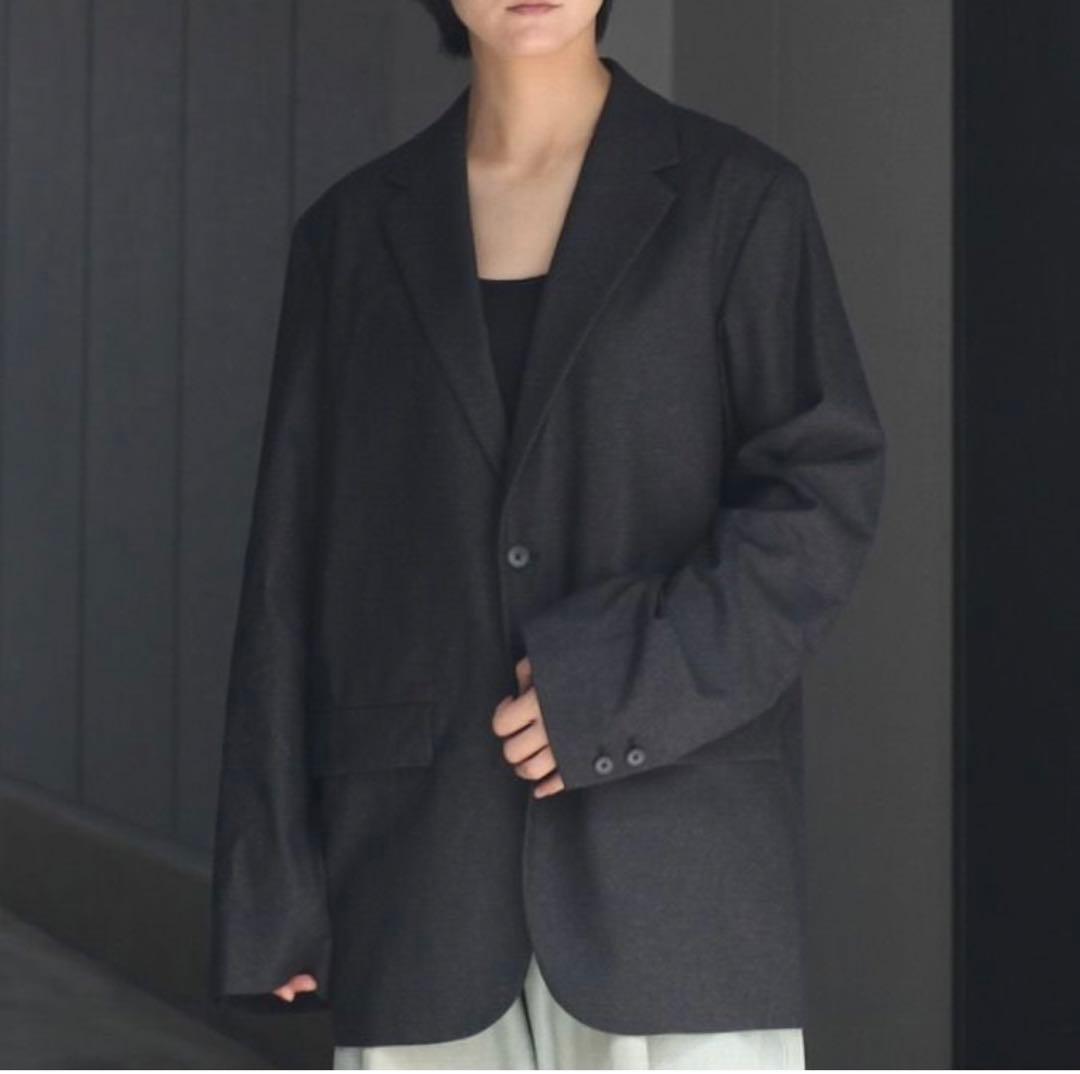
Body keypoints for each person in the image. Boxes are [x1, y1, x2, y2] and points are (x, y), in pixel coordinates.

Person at [209, 0, 887, 1069]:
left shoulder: (739, 200)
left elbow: (819, 498)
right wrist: (272, 886)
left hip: (676, 874)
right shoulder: (350, 235)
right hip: (417, 878)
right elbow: (290, 570)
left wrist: (618, 685)